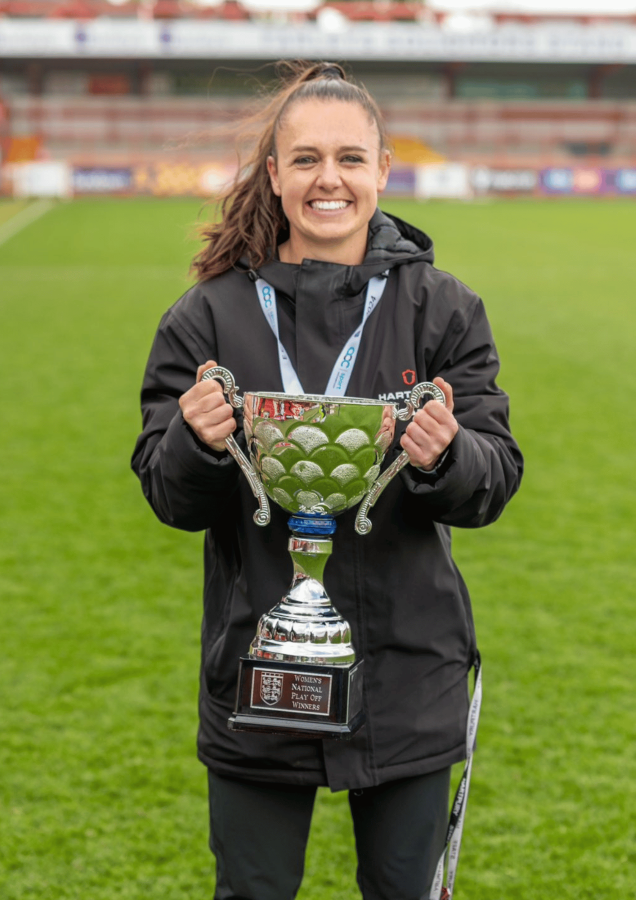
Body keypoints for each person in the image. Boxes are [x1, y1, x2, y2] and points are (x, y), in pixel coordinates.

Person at [131, 60, 523, 900]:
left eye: (350, 158)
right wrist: (192, 444)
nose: (328, 179)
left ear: (383, 170)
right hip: (258, 676)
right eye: (305, 159)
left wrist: (447, 455)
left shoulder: (444, 309)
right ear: (273, 175)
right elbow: (168, 496)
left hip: (408, 675)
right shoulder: (206, 316)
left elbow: (495, 479)